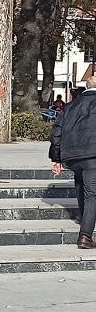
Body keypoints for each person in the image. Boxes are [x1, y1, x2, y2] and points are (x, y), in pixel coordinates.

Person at [50, 76, 96, 249]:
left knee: (80, 181)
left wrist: (56, 158)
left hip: (72, 155)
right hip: (93, 153)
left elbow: (56, 132)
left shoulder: (69, 106)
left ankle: (85, 217)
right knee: (92, 193)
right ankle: (85, 236)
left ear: (86, 86)